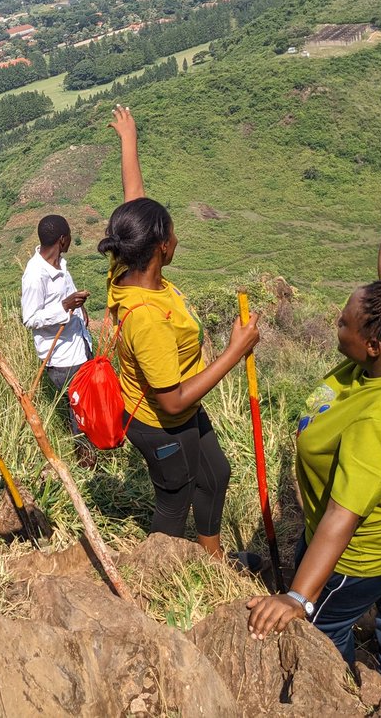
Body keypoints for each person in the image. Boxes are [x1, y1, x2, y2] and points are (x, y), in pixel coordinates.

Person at [247, 126, 381, 718]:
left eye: (344, 325)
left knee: (330, 621)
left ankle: (340, 693)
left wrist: (296, 595)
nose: (336, 328)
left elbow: (343, 515)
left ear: (371, 346)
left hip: (360, 551)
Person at [100, 105, 259, 560]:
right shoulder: (147, 316)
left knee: (216, 475)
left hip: (180, 412)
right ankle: (158, 582)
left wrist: (128, 141)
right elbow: (170, 399)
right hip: (161, 422)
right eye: (172, 231)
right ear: (162, 246)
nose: (175, 235)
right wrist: (234, 351)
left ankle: (212, 562)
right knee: (175, 503)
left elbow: (135, 202)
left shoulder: (127, 265)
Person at [21, 214, 94, 464]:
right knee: (80, 411)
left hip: (78, 345)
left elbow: (66, 295)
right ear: (63, 240)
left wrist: (78, 306)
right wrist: (64, 306)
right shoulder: (35, 275)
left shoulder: (60, 264)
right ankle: (86, 462)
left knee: (86, 405)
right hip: (62, 357)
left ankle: (92, 452)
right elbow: (30, 318)